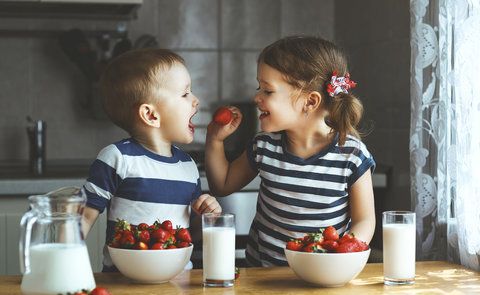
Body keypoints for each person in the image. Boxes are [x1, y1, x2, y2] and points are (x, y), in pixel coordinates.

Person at [205, 36, 376, 267]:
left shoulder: (352, 155)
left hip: (321, 276)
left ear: (310, 101)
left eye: (268, 90)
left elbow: (365, 221)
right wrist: (215, 140)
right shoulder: (264, 146)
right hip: (262, 278)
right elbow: (222, 185)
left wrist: (342, 257)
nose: (257, 97)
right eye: (259, 88)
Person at [81, 48, 222, 271]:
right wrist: (62, 264)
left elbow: (191, 233)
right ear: (151, 115)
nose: (196, 101)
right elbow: (84, 217)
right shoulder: (117, 158)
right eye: (185, 94)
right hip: (123, 284)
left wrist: (206, 215)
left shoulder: (188, 166)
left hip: (179, 284)